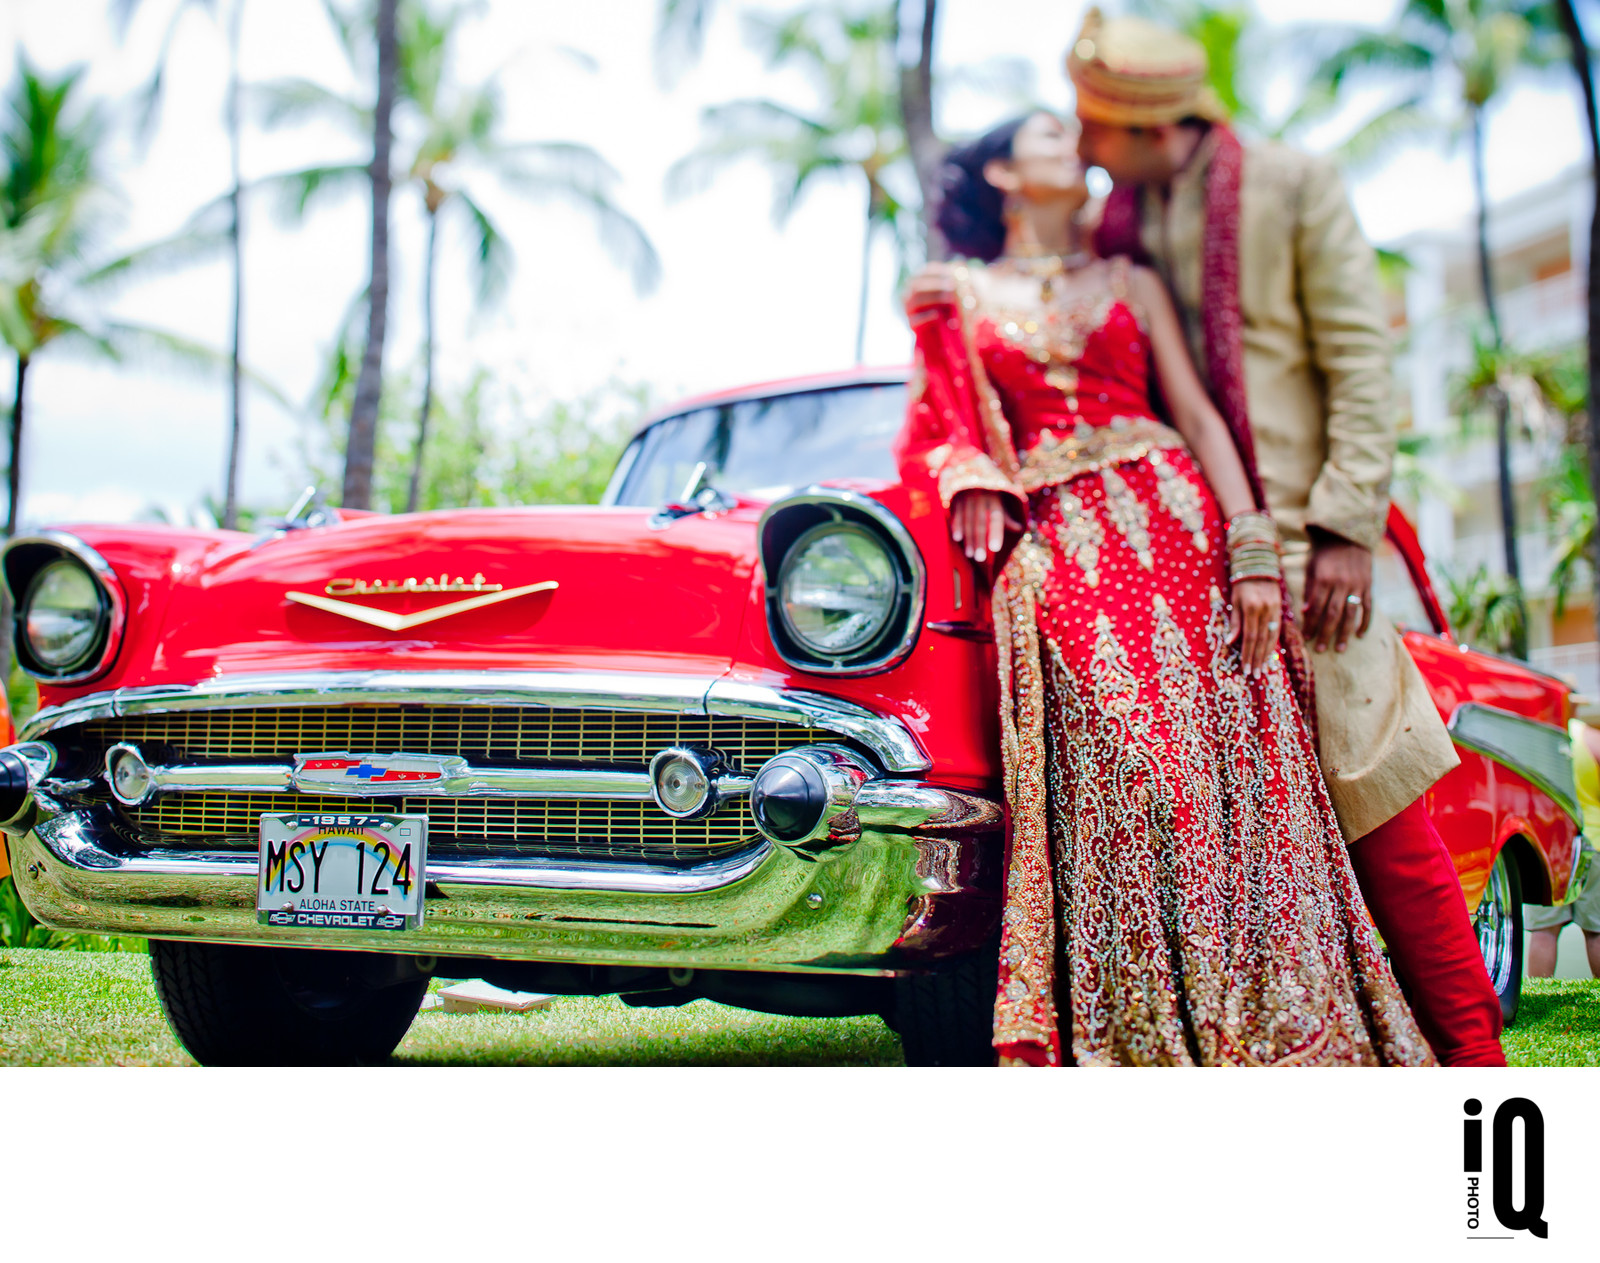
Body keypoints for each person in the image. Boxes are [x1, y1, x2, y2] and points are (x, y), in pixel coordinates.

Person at [895, 109, 1434, 1065]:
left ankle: (1271, 1019)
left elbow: (1194, 410)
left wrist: (1251, 543)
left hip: (1181, 532)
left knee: (1236, 773)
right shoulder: (956, 295)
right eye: (1056, 138)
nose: (1084, 149)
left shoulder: (1131, 281)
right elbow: (933, 426)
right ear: (1007, 178)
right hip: (1062, 556)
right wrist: (970, 468)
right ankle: (1147, 1027)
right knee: (1130, 777)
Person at [1061, 10, 1505, 1067]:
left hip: (1307, 543)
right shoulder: (1114, 226)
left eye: (1094, 130)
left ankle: (1474, 1068)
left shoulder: (1293, 184)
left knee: (1379, 807)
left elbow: (1359, 361)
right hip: (1175, 559)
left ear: (1149, 127)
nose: (1081, 151)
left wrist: (1348, 527)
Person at [1527, 720, 1600, 978]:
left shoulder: (1555, 732)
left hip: (1548, 841)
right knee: (1597, 932)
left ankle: (1537, 1000)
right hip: (1593, 840)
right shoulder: (1593, 739)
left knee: (1544, 931)